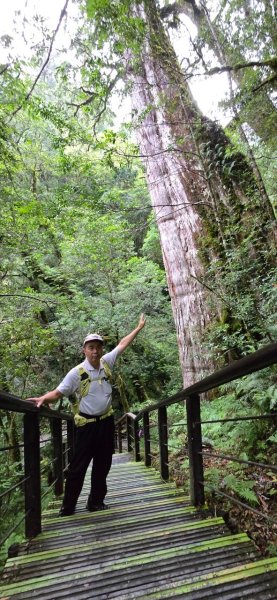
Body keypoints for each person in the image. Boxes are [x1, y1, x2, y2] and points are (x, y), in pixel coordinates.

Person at [27, 314, 146, 516]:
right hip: (86, 425)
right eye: (91, 347)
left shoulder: (107, 362)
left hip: (106, 422)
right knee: (77, 467)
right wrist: (43, 399)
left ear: (101, 349)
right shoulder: (76, 373)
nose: (95, 351)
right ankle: (68, 507)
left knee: (103, 464)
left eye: (98, 347)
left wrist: (139, 327)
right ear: (84, 350)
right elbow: (58, 393)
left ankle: (95, 502)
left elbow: (122, 344)